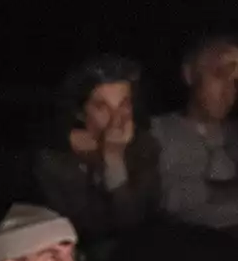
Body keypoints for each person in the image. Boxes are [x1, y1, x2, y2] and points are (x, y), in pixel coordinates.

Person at [152, 36, 238, 231]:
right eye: (218, 75)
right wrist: (237, 192)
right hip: (199, 243)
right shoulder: (159, 130)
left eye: (236, 82)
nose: (228, 91)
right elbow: (166, 197)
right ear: (189, 74)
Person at [35, 55, 160, 245]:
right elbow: (83, 230)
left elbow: (134, 224)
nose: (117, 119)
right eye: (102, 107)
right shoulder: (54, 160)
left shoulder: (144, 148)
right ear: (80, 112)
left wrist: (114, 160)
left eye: (123, 105)